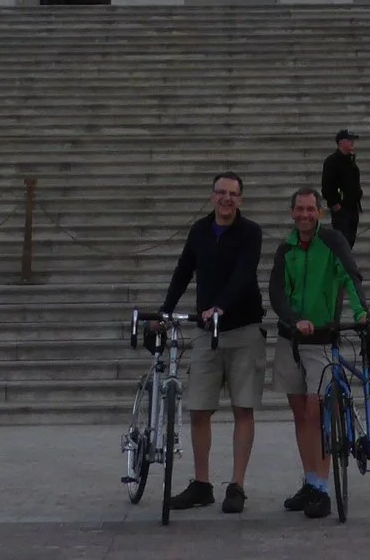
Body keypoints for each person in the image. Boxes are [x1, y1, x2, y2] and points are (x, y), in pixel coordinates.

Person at [157, 172, 266, 514]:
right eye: (221, 192)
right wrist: (165, 311)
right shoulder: (199, 231)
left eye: (233, 193)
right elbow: (183, 271)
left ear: (241, 199)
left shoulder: (251, 232)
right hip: (207, 332)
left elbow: (244, 274)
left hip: (243, 329)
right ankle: (202, 484)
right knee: (199, 408)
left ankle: (237, 485)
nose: (226, 198)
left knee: (243, 408)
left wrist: (222, 305)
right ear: (212, 196)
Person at [269, 188, 369, 519]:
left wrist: (361, 312)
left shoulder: (332, 241)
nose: (304, 214)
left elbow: (350, 277)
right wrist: (294, 319)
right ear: (292, 212)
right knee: (300, 413)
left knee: (317, 411)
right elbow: (277, 292)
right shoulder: (285, 248)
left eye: (310, 209)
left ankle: (324, 488)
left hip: (322, 339)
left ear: (320, 213)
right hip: (291, 339)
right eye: (299, 209)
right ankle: (311, 480)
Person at [321, 129, 363, 244]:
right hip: (341, 209)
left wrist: (358, 194)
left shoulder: (351, 161)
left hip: (353, 208)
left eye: (353, 140)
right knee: (342, 242)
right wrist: (335, 204)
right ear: (341, 142)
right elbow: (327, 186)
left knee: (350, 241)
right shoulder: (332, 161)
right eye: (349, 140)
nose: (352, 142)